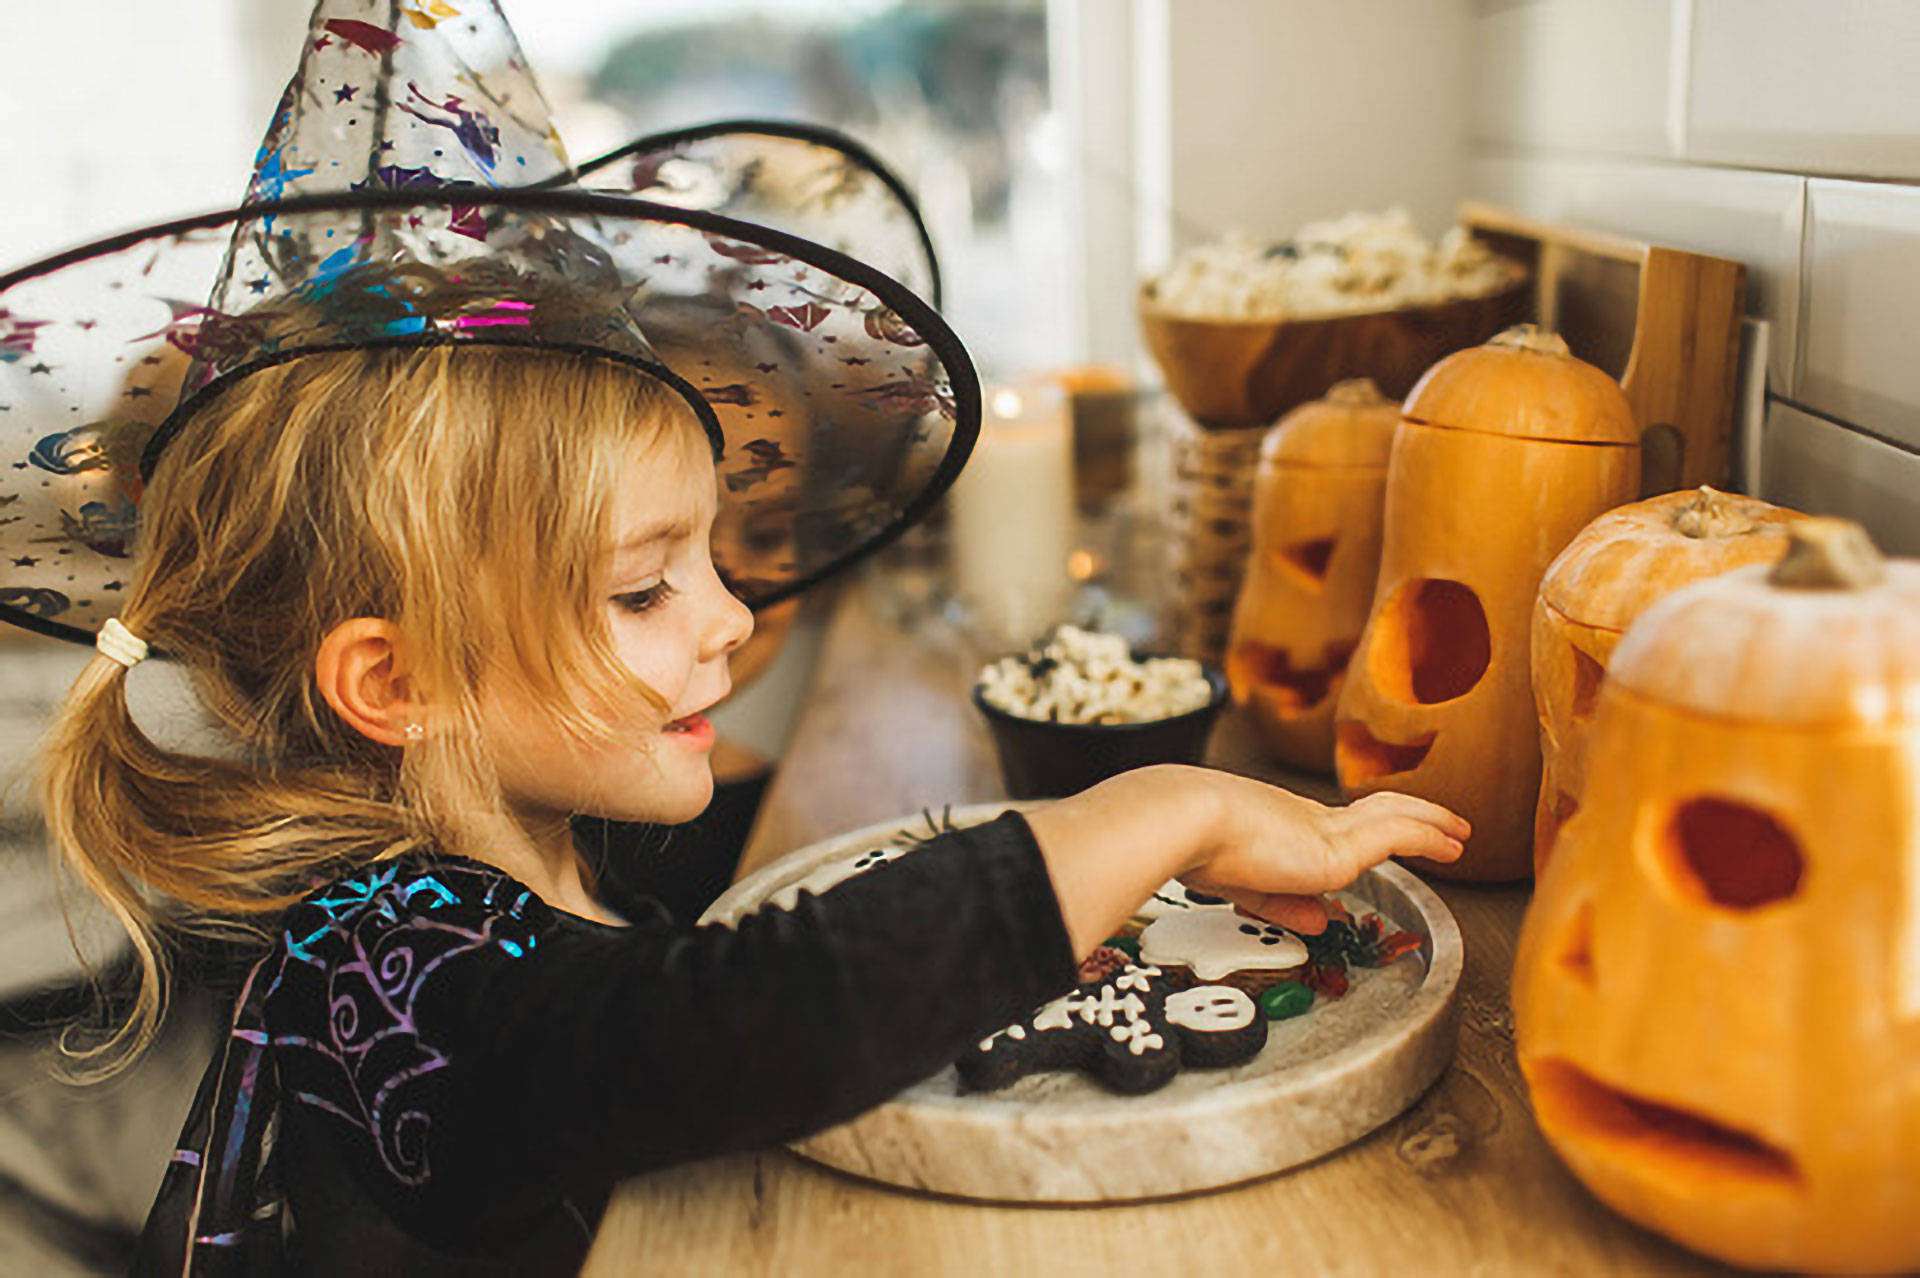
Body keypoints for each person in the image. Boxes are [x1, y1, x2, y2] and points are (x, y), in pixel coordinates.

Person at [0, 4, 1467, 1274]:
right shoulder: (388, 968)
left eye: (711, 556)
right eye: (646, 590)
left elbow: (690, 925)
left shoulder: (513, 838)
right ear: (396, 680)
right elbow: (757, 1010)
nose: (728, 615)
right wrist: (1168, 804)